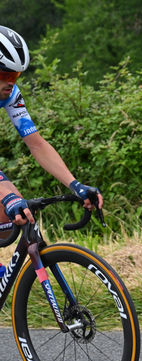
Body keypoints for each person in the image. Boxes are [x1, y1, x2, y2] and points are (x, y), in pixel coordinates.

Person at [0, 26, 102, 230]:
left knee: (11, 215)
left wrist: (76, 186)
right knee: (8, 201)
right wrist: (6, 196)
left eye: (16, 76)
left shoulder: (10, 95)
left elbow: (36, 144)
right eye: (6, 75)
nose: (11, 83)